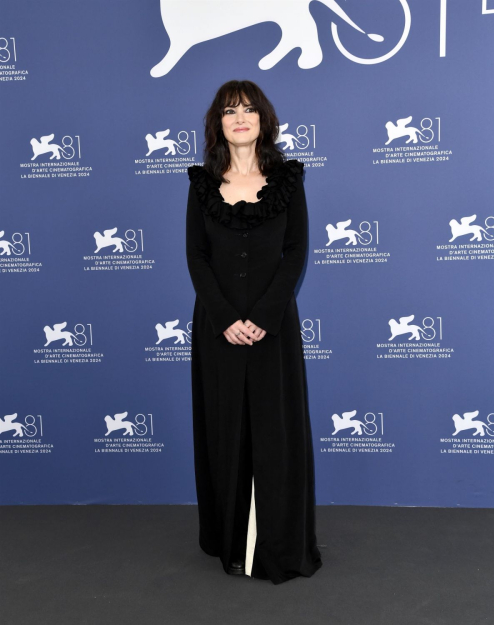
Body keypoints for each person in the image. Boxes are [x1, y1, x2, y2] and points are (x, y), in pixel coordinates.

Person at [185, 79, 322, 585]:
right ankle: (228, 540)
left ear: (263, 120)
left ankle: (278, 544)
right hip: (217, 330)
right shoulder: (201, 184)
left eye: (248, 109)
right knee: (225, 429)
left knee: (275, 431)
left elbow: (295, 254)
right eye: (228, 111)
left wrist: (262, 317)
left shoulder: (288, 181)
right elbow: (196, 258)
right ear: (217, 124)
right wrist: (226, 319)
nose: (239, 117)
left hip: (274, 327)